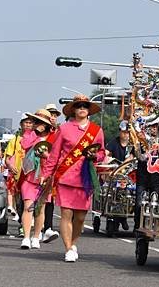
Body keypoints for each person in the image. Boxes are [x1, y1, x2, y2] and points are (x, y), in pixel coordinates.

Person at [41, 95, 105, 262]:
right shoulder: (64, 129)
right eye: (79, 106)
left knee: (81, 217)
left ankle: (73, 243)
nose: (82, 108)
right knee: (66, 214)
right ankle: (68, 248)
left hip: (85, 179)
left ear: (89, 110)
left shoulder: (96, 131)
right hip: (65, 177)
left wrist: (95, 155)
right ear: (74, 110)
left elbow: (102, 152)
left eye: (85, 106)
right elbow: (54, 154)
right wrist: (46, 174)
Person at [19, 109, 55, 250]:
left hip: (45, 177)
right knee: (28, 206)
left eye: (41, 122)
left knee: (40, 209)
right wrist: (34, 132)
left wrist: (47, 155)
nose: (38, 124)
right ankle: (26, 238)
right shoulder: (30, 134)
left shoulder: (54, 136)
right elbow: (24, 145)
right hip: (29, 176)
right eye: (36, 121)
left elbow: (57, 154)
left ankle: (36, 237)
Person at [132, 118, 159, 231]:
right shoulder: (141, 142)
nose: (154, 129)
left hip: (156, 179)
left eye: (157, 126)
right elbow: (132, 156)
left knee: (155, 204)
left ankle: (154, 226)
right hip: (142, 178)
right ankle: (137, 225)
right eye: (152, 126)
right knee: (138, 203)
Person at [4, 114, 34, 228]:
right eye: (25, 122)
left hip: (31, 175)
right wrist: (11, 167)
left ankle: (34, 224)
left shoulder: (35, 138)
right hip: (18, 176)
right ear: (21, 124)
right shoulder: (14, 140)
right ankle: (23, 226)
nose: (28, 125)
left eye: (30, 123)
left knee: (31, 202)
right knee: (20, 203)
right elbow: (7, 159)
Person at [106, 120, 133, 231]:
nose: (125, 134)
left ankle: (124, 217)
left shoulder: (133, 144)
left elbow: (131, 157)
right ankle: (118, 219)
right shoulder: (114, 142)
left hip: (130, 173)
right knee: (115, 194)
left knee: (131, 195)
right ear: (120, 132)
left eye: (127, 132)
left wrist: (123, 166)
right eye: (123, 132)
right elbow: (106, 153)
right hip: (116, 174)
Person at [42, 103, 62, 244]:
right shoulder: (41, 132)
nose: (53, 118)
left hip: (54, 170)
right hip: (39, 170)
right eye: (50, 115)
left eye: (55, 115)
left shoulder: (60, 132)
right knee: (38, 200)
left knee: (50, 201)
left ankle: (47, 228)